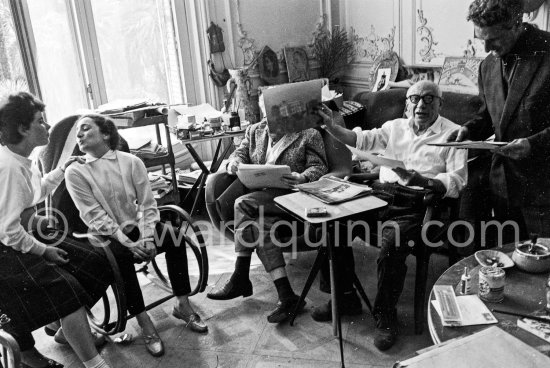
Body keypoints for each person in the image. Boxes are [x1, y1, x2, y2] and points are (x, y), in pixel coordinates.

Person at [315, 81, 467, 351]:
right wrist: (331, 126)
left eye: (430, 99)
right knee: (334, 223)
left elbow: (458, 179)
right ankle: (345, 296)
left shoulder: (454, 133)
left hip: (418, 203)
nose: (421, 105)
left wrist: (427, 181)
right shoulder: (394, 126)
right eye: (416, 98)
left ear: (440, 104)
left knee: (391, 244)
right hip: (381, 194)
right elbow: (360, 140)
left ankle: (385, 316)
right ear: (407, 102)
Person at [65, 114, 207, 358]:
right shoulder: (76, 172)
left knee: (175, 237)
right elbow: (94, 216)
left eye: (85, 129)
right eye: (77, 132)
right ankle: (144, 321)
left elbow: (148, 204)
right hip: (105, 234)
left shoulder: (131, 161)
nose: (78, 135)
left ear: (106, 134)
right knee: (119, 258)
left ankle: (182, 304)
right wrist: (129, 243)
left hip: (138, 226)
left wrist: (148, 236)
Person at [0, 92, 113, 368]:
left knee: (96, 262)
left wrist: (62, 169)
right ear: (22, 129)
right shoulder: (8, 167)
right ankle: (94, 363)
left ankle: (67, 331)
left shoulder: (22, 158)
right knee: (67, 289)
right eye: (41, 121)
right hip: (5, 249)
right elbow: (8, 232)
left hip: (18, 236)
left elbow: (35, 194)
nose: (48, 127)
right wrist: (44, 251)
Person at [206, 92, 328, 324]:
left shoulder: (308, 134)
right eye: (266, 115)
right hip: (261, 201)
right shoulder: (255, 130)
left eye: (276, 115)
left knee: (243, 203)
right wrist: (234, 165)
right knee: (258, 224)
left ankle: (240, 276)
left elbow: (318, 167)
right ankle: (286, 296)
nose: (270, 122)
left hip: (292, 200)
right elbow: (238, 154)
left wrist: (302, 177)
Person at [451, 0, 550, 238]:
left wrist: (532, 144)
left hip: (543, 188)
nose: (485, 49)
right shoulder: (487, 66)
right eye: (479, 38)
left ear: (516, 24)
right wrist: (468, 130)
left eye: (492, 40)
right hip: (503, 187)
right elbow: (489, 116)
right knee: (507, 264)